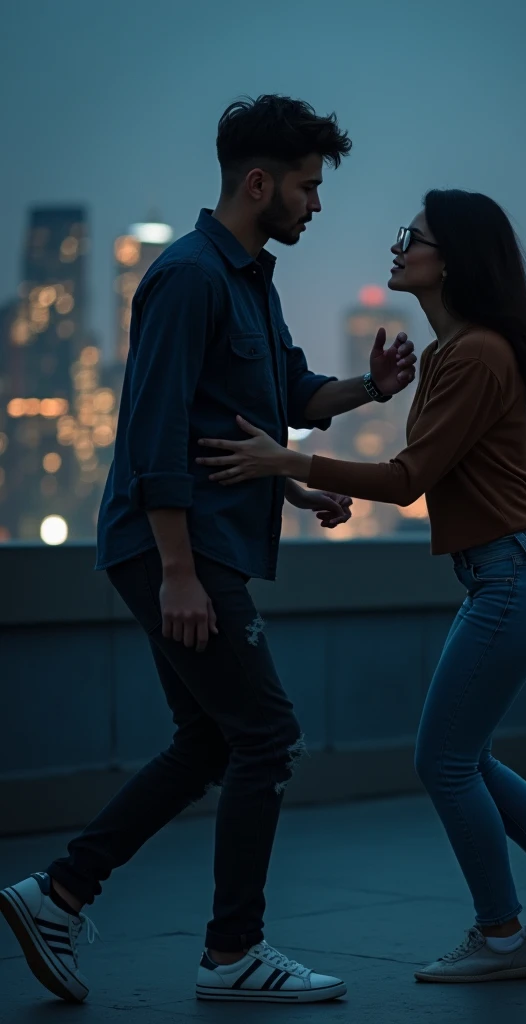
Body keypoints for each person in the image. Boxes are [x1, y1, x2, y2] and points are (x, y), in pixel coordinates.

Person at [0, 95, 418, 1006]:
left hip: (199, 543)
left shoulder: (248, 280)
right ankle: (234, 953)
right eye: (307, 188)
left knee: (208, 740)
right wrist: (180, 573)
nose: (316, 205)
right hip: (173, 550)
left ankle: (58, 894)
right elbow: (151, 433)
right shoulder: (189, 276)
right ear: (257, 182)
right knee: (267, 736)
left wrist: (367, 390)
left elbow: (284, 399)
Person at [194, 189, 526, 985]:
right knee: (466, 756)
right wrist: (315, 464)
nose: (398, 247)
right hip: (509, 575)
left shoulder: (474, 354)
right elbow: (416, 476)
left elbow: (409, 481)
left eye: (416, 238)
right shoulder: (453, 352)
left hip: (518, 577)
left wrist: (287, 462)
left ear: (454, 259)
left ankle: (504, 934)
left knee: (444, 760)